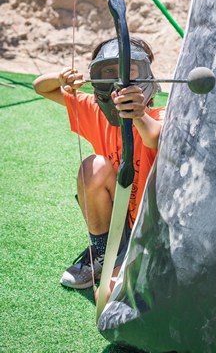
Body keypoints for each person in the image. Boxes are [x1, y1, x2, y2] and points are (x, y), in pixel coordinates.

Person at [33, 37, 165, 293]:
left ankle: (130, 260)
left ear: (147, 77)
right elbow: (41, 87)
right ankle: (103, 252)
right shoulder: (94, 109)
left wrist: (137, 115)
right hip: (117, 220)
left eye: (129, 71)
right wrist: (60, 78)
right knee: (94, 166)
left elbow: (155, 136)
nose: (119, 81)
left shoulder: (159, 117)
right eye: (108, 72)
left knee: (111, 295)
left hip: (149, 228)